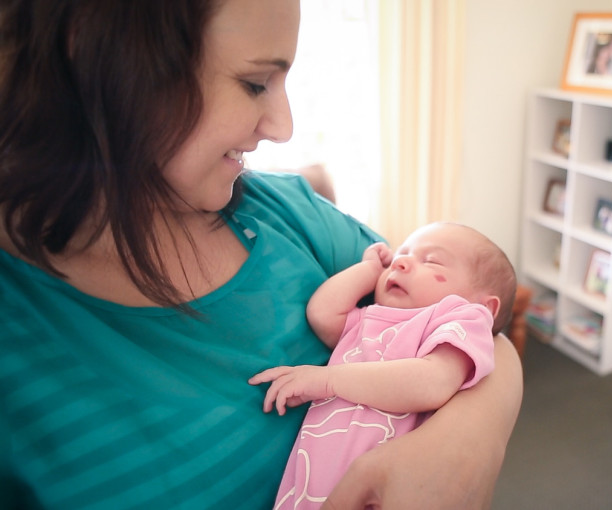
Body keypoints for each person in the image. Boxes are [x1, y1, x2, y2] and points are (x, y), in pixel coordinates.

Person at [0, 0, 523, 509]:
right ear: (105, 63)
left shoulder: (289, 211)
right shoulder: (20, 340)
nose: (282, 126)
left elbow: (483, 335)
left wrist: (469, 444)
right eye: (254, 83)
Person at [249, 222, 517, 509]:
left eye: (431, 260)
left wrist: (328, 380)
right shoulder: (367, 320)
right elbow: (322, 313)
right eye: (402, 253)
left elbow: (433, 382)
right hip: (308, 489)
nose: (401, 262)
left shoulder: (457, 325)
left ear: (483, 308)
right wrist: (369, 270)